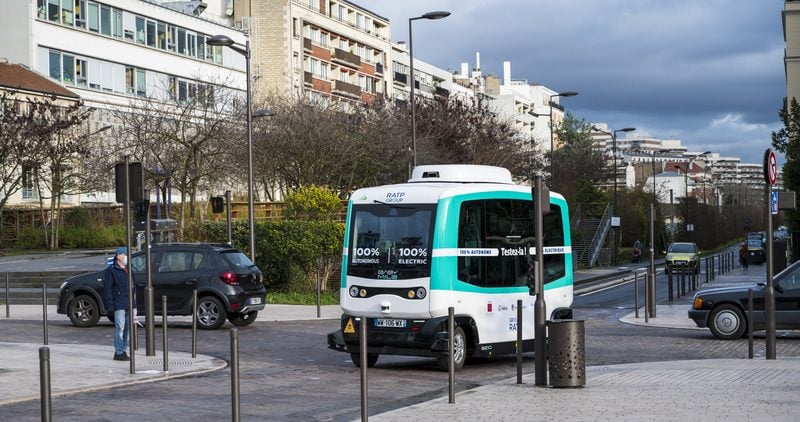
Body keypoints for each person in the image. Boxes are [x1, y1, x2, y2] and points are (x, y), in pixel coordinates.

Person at [104, 247, 135, 361]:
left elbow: (133, 288)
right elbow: (107, 289)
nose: (126, 257)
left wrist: (134, 305)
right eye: (125, 254)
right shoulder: (111, 271)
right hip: (119, 304)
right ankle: (118, 352)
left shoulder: (128, 270)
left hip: (128, 303)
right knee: (120, 328)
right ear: (118, 256)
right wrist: (110, 305)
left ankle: (123, 350)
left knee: (127, 329)